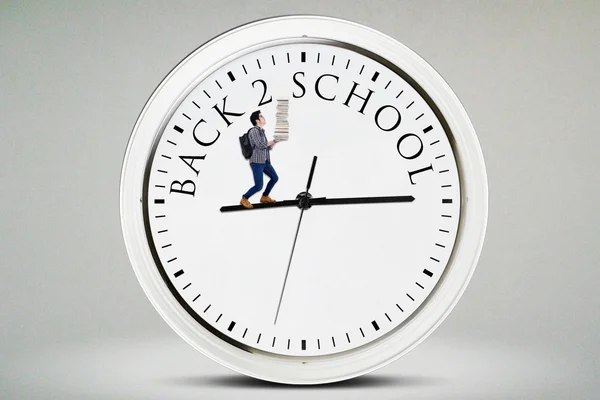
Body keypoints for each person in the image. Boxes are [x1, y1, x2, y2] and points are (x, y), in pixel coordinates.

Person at [240, 110, 280, 209]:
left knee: (275, 178)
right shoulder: (254, 131)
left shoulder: (261, 131)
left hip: (265, 161)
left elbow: (267, 147)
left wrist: (275, 141)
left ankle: (265, 196)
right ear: (257, 120)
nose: (263, 117)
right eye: (261, 116)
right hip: (257, 162)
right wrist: (273, 140)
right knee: (258, 186)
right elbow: (260, 145)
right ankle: (244, 198)